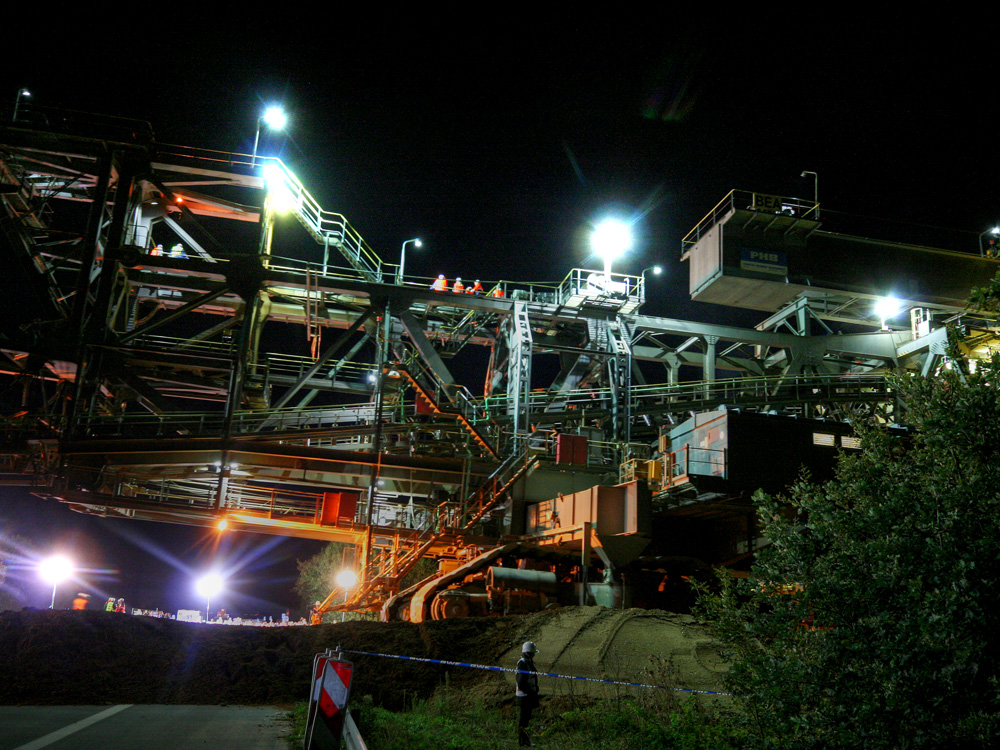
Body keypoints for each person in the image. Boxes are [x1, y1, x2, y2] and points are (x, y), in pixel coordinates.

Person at [515, 641, 541, 747]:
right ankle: (523, 742)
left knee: (526, 720)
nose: (534, 655)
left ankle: (524, 741)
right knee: (524, 720)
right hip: (524, 696)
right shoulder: (522, 663)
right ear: (528, 653)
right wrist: (530, 693)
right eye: (533, 653)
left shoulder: (529, 662)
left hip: (528, 695)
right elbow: (521, 682)